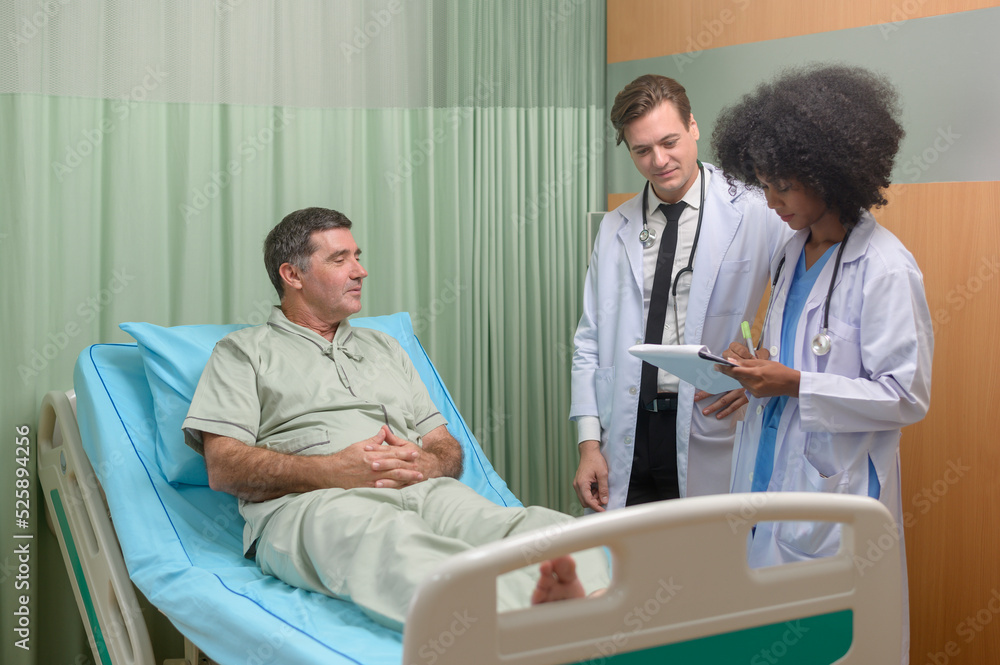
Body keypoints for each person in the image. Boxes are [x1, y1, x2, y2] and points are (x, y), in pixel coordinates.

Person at [181, 207, 608, 630]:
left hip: (423, 490)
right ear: (292, 275)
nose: (360, 271)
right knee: (397, 547)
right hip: (314, 506)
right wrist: (333, 471)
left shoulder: (385, 347)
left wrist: (429, 463)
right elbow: (224, 467)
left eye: (357, 256)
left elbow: (444, 446)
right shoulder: (243, 352)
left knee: (547, 529)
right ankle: (534, 627)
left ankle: (591, 617)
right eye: (340, 259)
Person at [711, 64, 932, 664]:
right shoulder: (790, 253)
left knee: (831, 645)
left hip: (832, 490)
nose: (772, 202)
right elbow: (793, 351)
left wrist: (794, 383)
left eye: (783, 186)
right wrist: (756, 364)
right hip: (766, 475)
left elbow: (906, 396)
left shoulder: (885, 268)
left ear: (830, 173)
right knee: (764, 639)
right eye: (763, 185)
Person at [571, 74, 789, 511]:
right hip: (628, 430)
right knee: (629, 550)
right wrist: (589, 444)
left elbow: (797, 299)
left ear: (693, 126)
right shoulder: (615, 227)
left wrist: (762, 368)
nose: (659, 160)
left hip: (708, 420)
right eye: (642, 150)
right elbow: (589, 340)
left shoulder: (755, 208)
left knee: (705, 549)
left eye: (669, 142)